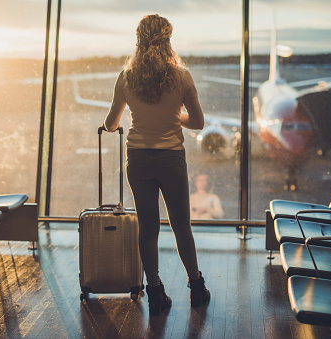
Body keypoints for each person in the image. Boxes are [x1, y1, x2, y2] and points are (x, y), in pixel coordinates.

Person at [103, 14, 209, 316]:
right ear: (168, 39)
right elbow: (198, 123)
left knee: (148, 229)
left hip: (137, 159)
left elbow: (112, 122)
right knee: (181, 226)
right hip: (171, 159)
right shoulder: (181, 76)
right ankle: (197, 288)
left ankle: (156, 292)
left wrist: (111, 125)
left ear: (138, 40)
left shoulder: (126, 77)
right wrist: (175, 117)